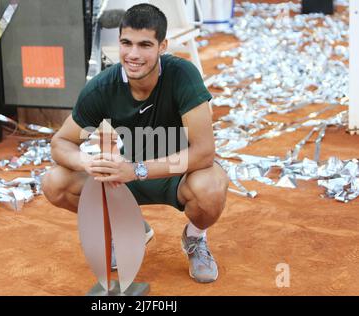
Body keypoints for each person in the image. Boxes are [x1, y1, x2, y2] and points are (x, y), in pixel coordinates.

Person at [42, 3, 229, 283]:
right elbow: (62, 143)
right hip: (124, 181)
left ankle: (194, 237)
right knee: (54, 183)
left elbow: (203, 153)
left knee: (211, 188)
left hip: (177, 175)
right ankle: (128, 225)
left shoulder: (182, 75)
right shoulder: (103, 87)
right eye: (126, 43)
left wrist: (136, 169)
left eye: (145, 45)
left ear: (162, 46)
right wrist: (89, 162)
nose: (133, 54)